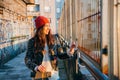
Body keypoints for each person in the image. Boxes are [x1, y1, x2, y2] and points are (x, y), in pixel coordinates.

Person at [24, 16, 76, 80]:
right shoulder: (32, 42)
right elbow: (27, 59)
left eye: (49, 26)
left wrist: (69, 52)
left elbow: (59, 55)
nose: (48, 28)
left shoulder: (53, 39)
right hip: (39, 76)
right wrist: (36, 67)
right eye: (46, 26)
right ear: (40, 28)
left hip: (53, 76)